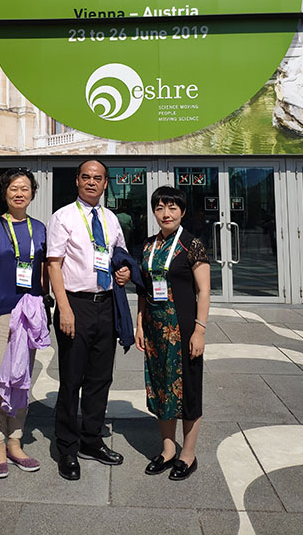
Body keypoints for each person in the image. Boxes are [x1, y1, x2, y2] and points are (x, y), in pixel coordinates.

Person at [46, 159, 131, 481]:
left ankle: (91, 440)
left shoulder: (110, 218)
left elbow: (119, 255)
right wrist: (64, 308)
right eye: (86, 177)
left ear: (106, 183)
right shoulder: (63, 217)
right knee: (72, 380)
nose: (92, 182)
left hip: (106, 305)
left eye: (98, 178)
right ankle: (67, 447)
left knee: (100, 378)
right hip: (76, 305)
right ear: (77, 181)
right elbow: (53, 264)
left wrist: (124, 271)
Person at [0, 168, 48, 479]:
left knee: (21, 381)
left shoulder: (40, 229)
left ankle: (16, 442)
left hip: (29, 314)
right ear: (5, 193)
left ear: (32, 194)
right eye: (14, 188)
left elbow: (44, 272)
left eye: (25, 188)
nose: (19, 193)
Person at [135, 186, 210, 481]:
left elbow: (204, 291)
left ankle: (188, 454)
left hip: (183, 328)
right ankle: (167, 449)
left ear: (182, 211)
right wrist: (139, 324)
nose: (166, 213)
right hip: (155, 330)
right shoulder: (148, 245)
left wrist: (199, 331)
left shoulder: (192, 245)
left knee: (188, 389)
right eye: (160, 208)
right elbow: (143, 290)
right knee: (161, 388)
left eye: (172, 208)